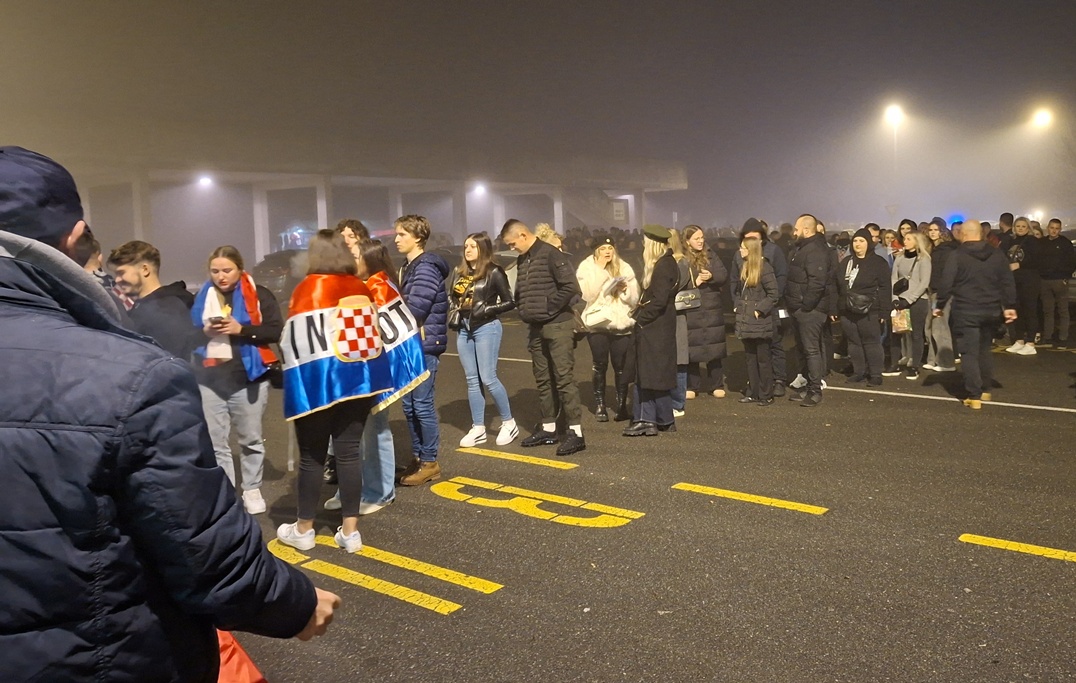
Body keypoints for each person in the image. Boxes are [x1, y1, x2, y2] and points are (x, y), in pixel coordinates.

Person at [0, 146, 335, 682]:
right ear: (73, 236)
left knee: (247, 439)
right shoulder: (126, 373)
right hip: (103, 657)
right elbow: (199, 546)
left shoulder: (142, 358)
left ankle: (250, 485)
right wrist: (293, 603)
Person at [276, 230, 392, 554]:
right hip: (358, 383)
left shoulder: (307, 289)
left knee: (312, 458)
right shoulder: (359, 287)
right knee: (349, 453)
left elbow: (292, 342)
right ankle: (350, 532)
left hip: (319, 384)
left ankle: (304, 529)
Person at [191, 245, 283, 514]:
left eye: (227, 270)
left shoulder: (259, 294)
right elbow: (187, 334)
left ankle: (252, 488)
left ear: (240, 269)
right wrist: (205, 331)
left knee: (250, 438)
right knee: (216, 441)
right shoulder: (202, 296)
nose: (220, 276)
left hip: (249, 378)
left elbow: (275, 330)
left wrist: (241, 329)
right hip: (210, 379)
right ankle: (227, 491)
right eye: (215, 271)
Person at [500, 219, 586, 456]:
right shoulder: (524, 259)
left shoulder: (551, 254)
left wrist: (549, 307)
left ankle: (575, 433)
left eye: (512, 243)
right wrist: (524, 308)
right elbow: (522, 290)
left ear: (523, 235)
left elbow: (571, 287)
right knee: (543, 379)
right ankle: (549, 428)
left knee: (564, 378)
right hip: (536, 327)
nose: (512, 248)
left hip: (558, 325)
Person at [934, 220, 1017, 409]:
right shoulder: (996, 254)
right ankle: (986, 389)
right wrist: (1010, 305)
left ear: (963, 234)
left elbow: (946, 283)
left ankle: (974, 395)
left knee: (969, 353)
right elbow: (1007, 280)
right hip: (991, 309)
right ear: (982, 233)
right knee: (984, 349)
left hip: (966, 310)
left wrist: (939, 305)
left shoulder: (957, 255)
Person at [395, 214, 451, 484]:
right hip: (411, 344)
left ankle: (429, 462)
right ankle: (418, 458)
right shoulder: (409, 266)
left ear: (418, 237)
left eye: (402, 234)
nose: (396, 239)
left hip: (424, 345)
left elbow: (417, 307)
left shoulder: (425, 267)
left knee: (422, 404)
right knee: (409, 406)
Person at [449, 232, 519, 446]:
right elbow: (452, 297)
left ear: (483, 249)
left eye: (473, 246)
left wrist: (486, 309)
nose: (468, 250)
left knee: (488, 377)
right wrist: (455, 307)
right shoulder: (459, 272)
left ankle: (509, 423)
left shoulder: (494, 271)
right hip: (464, 328)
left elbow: (509, 301)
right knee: (472, 379)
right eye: (466, 246)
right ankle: (478, 427)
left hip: (486, 327)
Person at [577, 234, 639, 422]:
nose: (607, 252)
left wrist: (624, 290)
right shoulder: (587, 267)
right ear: (596, 251)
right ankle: (600, 405)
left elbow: (635, 299)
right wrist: (601, 270)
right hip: (598, 324)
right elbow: (586, 295)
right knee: (600, 365)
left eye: (610, 248)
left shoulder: (624, 267)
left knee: (620, 367)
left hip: (620, 323)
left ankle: (621, 406)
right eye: (603, 249)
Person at [623, 224, 679, 435]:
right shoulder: (668, 262)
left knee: (646, 374)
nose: (643, 246)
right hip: (662, 327)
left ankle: (645, 419)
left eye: (646, 243)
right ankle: (665, 419)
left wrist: (641, 319)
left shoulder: (663, 266)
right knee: (658, 374)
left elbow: (659, 301)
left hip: (654, 328)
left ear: (652, 245)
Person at [108, 239, 198, 359]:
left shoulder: (167, 309)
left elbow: (171, 362)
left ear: (145, 270)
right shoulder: (144, 307)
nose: (117, 280)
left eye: (121, 273)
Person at [732, 218, 789, 396]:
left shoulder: (772, 254)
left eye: (754, 237)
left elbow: (779, 280)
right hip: (747, 311)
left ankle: (777, 381)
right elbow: (735, 282)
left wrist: (765, 305)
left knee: (773, 346)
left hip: (767, 309)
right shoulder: (739, 257)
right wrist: (737, 304)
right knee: (752, 354)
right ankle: (756, 387)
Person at [785, 213, 835, 407]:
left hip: (810, 311)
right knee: (804, 350)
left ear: (806, 230)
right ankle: (807, 386)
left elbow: (817, 282)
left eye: (797, 229)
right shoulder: (803, 248)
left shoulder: (815, 251)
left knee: (812, 350)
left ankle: (815, 390)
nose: (794, 232)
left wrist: (805, 306)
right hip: (800, 308)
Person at [836, 228, 892, 385]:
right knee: (853, 342)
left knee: (871, 342)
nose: (857, 244)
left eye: (861, 241)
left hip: (870, 310)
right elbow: (836, 285)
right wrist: (835, 307)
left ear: (868, 243)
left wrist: (884, 311)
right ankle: (858, 371)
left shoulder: (878, 263)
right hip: (847, 309)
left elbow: (885, 288)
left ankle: (875, 374)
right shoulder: (846, 262)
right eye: (855, 241)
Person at [681, 224, 730, 399]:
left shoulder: (711, 254)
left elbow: (723, 275)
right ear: (687, 241)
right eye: (696, 238)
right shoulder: (682, 258)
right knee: (692, 346)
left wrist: (711, 276)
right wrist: (695, 282)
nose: (701, 241)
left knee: (714, 346)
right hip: (691, 306)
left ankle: (716, 384)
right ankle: (692, 385)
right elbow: (678, 281)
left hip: (711, 306)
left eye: (702, 237)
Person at [734, 236, 780, 404]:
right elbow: (739, 292)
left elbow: (773, 294)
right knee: (750, 358)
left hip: (759, 321)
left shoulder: (765, 268)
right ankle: (753, 392)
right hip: (746, 319)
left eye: (743, 248)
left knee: (763, 359)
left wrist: (759, 310)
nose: (740, 250)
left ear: (751, 250)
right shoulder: (744, 266)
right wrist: (738, 306)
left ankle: (766, 394)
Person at [884, 231, 932, 380]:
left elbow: (924, 283)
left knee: (916, 334)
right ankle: (894, 364)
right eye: (905, 238)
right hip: (900, 300)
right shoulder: (900, 257)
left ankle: (914, 366)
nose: (905, 241)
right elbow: (894, 278)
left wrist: (909, 300)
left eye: (909, 239)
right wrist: (894, 298)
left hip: (918, 301)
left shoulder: (924, 259)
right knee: (896, 333)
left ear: (917, 241)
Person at [1004, 216, 1043, 355]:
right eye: (1018, 226)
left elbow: (1037, 260)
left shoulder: (1032, 241)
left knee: (1030, 310)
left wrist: (1019, 264)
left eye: (1023, 226)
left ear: (1028, 228)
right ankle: (1019, 340)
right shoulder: (1011, 241)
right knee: (1017, 310)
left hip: (1029, 281)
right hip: (1014, 280)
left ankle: (1030, 342)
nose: (1020, 229)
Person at [923, 218, 958, 372]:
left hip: (942, 293)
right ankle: (932, 360)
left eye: (936, 230)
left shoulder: (947, 250)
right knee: (929, 327)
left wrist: (943, 294)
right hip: (931, 291)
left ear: (942, 231)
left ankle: (946, 362)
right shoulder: (932, 249)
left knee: (940, 327)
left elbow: (947, 275)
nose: (932, 233)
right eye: (930, 230)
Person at [1039, 218, 1075, 348]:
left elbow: (1072, 261)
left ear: (1060, 230)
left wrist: (1066, 276)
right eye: (1052, 228)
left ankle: (1063, 338)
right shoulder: (1042, 243)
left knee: (1063, 310)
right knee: (1047, 310)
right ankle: (1048, 338)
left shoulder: (1065, 243)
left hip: (1060, 280)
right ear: (1047, 228)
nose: (1054, 231)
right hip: (1045, 280)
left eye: (1056, 228)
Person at [667, 229, 691, 417]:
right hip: (667, 316)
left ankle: (677, 403)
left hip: (677, 315)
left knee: (679, 360)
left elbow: (672, 288)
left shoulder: (681, 263)